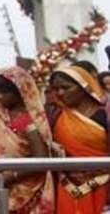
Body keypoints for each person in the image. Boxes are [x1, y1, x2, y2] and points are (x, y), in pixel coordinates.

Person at [0, 66, 54, 214]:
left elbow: (41, 158)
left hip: (21, 189)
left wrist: (12, 176)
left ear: (21, 90)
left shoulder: (24, 119)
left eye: (4, 92)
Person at [48, 64, 109, 214]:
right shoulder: (55, 116)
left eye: (65, 87)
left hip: (104, 187)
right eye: (56, 89)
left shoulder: (105, 115)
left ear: (83, 87)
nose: (60, 93)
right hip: (67, 187)